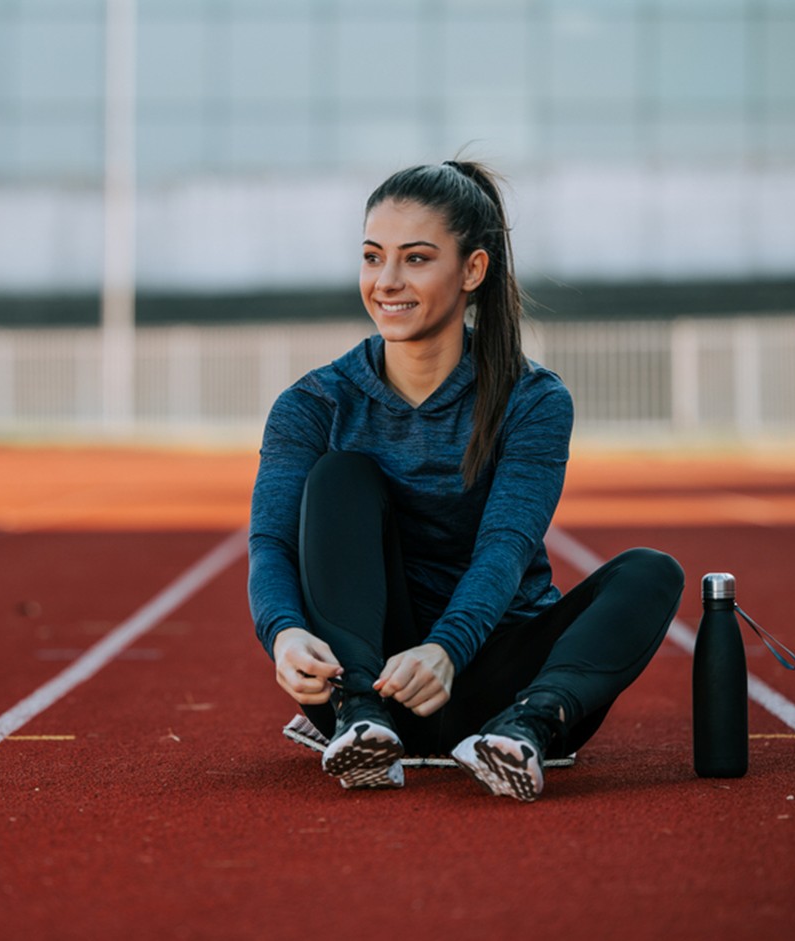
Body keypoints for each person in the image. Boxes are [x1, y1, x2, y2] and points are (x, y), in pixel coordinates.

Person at [247, 161, 685, 800]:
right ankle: (359, 724)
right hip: (366, 686)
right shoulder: (314, 403)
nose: (387, 282)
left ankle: (527, 732)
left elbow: (504, 548)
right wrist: (284, 633)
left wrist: (447, 650)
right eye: (372, 258)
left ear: (473, 270)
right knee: (342, 475)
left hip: (492, 683)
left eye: (416, 259)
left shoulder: (532, 399)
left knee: (653, 570)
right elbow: (271, 543)